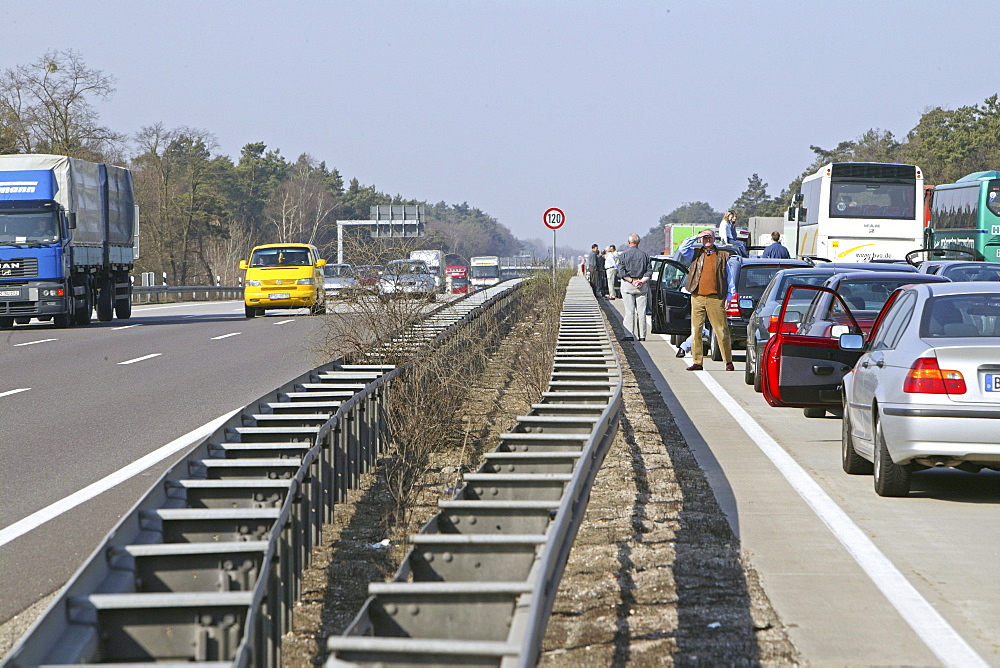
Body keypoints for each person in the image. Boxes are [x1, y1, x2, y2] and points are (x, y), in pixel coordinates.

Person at [676, 229, 736, 371]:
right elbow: (682, 248)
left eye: (709, 237)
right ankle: (697, 361)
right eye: (705, 238)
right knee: (696, 330)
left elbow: (730, 278)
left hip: (716, 298)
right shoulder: (695, 253)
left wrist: (729, 297)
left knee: (721, 330)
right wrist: (696, 237)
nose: (707, 240)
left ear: (714, 239)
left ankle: (728, 361)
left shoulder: (723, 256)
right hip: (697, 297)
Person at [616, 233, 652, 342]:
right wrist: (641, 281)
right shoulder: (645, 255)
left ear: (628, 242)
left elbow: (621, 272)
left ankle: (629, 334)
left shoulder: (623, 255)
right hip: (642, 285)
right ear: (638, 242)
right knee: (641, 311)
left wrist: (632, 281)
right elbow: (649, 271)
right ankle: (642, 335)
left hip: (628, 286)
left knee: (629, 311)